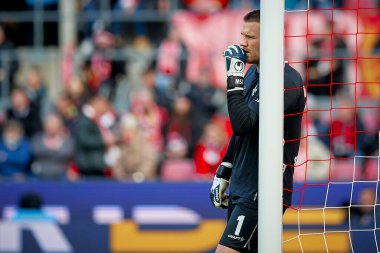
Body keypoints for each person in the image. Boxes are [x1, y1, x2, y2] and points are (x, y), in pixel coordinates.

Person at [209, 10, 306, 253]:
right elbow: (241, 132)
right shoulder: (254, 72)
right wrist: (225, 169)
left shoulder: (286, 80)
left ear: (272, 40)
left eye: (251, 37)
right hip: (244, 185)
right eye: (243, 35)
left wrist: (233, 77)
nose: (243, 42)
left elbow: (245, 123)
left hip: (264, 190)